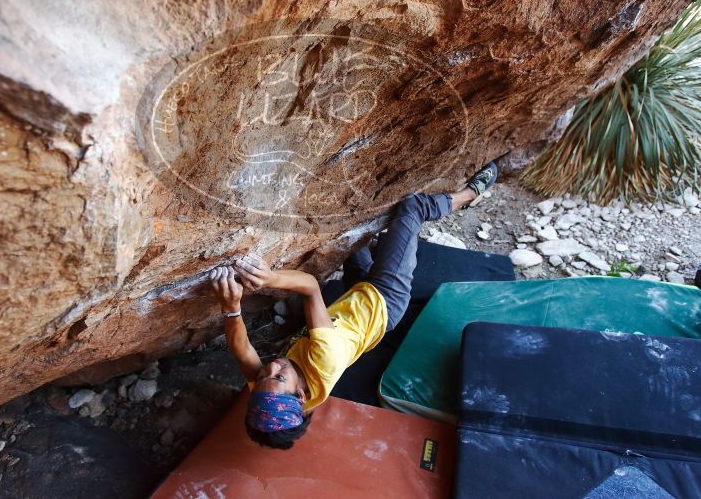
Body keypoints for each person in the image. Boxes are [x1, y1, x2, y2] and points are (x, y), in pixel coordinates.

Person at [208, 162, 498, 449]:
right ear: (300, 395)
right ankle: (470, 195)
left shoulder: (270, 390)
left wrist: (231, 306)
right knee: (412, 208)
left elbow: (242, 351)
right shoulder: (324, 361)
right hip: (384, 299)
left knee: (349, 232)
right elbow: (309, 287)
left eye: (263, 375)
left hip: (353, 302)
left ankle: (384, 236)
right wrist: (270, 277)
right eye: (279, 375)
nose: (271, 367)